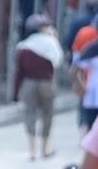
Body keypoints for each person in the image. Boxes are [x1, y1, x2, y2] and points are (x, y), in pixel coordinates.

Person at [14, 14, 65, 158]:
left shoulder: (23, 46)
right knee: (47, 114)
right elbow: (58, 61)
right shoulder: (51, 42)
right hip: (46, 83)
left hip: (28, 84)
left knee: (30, 114)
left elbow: (19, 72)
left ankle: (32, 150)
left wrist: (15, 93)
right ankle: (45, 148)